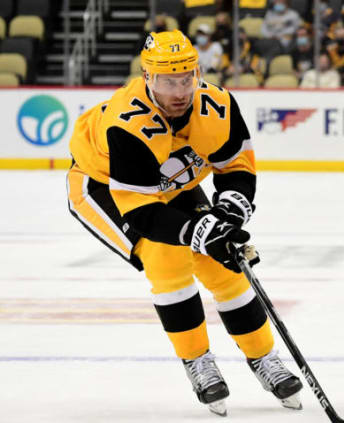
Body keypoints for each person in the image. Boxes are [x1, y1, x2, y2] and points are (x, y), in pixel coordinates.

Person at [66, 30, 303, 417]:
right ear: (147, 78)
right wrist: (199, 231)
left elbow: (236, 168)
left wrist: (227, 215)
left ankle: (264, 357)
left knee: (224, 263)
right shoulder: (126, 126)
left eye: (186, 78)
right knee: (166, 258)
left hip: (168, 183)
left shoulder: (218, 105)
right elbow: (143, 211)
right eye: (166, 81)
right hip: (104, 186)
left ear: (198, 72)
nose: (179, 90)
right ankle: (197, 361)